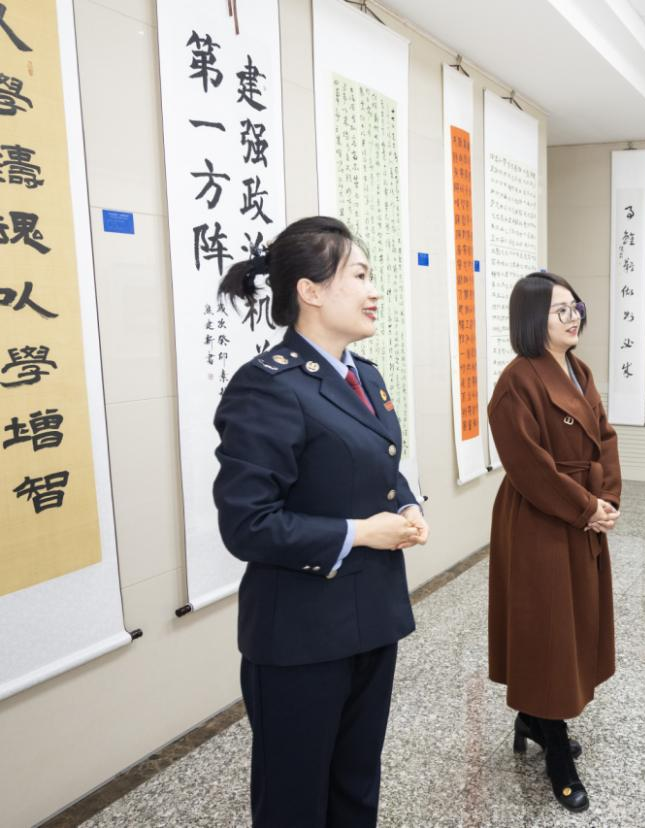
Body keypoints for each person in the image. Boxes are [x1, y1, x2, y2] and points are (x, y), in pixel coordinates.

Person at [213, 216, 429, 827]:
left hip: (372, 618)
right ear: (309, 290)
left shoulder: (366, 376)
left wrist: (406, 504)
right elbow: (247, 524)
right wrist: (360, 532)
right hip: (300, 636)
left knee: (356, 786)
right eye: (358, 276)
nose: (373, 290)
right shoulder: (268, 386)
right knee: (294, 801)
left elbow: (378, 464)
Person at [487, 272, 622, 813]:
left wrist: (607, 498)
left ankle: (534, 719)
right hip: (541, 516)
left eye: (575, 307)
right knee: (548, 630)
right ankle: (556, 749)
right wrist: (586, 507)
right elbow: (529, 466)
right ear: (531, 319)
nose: (573, 318)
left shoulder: (578, 369)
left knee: (574, 622)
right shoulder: (516, 381)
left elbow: (605, 437)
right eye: (560, 310)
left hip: (582, 510)